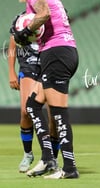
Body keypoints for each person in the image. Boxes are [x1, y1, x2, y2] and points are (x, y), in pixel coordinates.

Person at [10, 0, 79, 179]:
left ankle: (69, 168)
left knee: (58, 113)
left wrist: (25, 31)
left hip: (57, 52)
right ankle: (48, 159)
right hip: (63, 50)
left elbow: (44, 14)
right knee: (32, 105)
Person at [7, 30, 60, 173]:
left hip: (50, 66)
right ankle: (28, 154)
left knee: (54, 117)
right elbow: (13, 43)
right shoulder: (21, 18)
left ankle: (52, 160)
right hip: (28, 66)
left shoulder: (52, 13)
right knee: (26, 111)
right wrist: (11, 71)